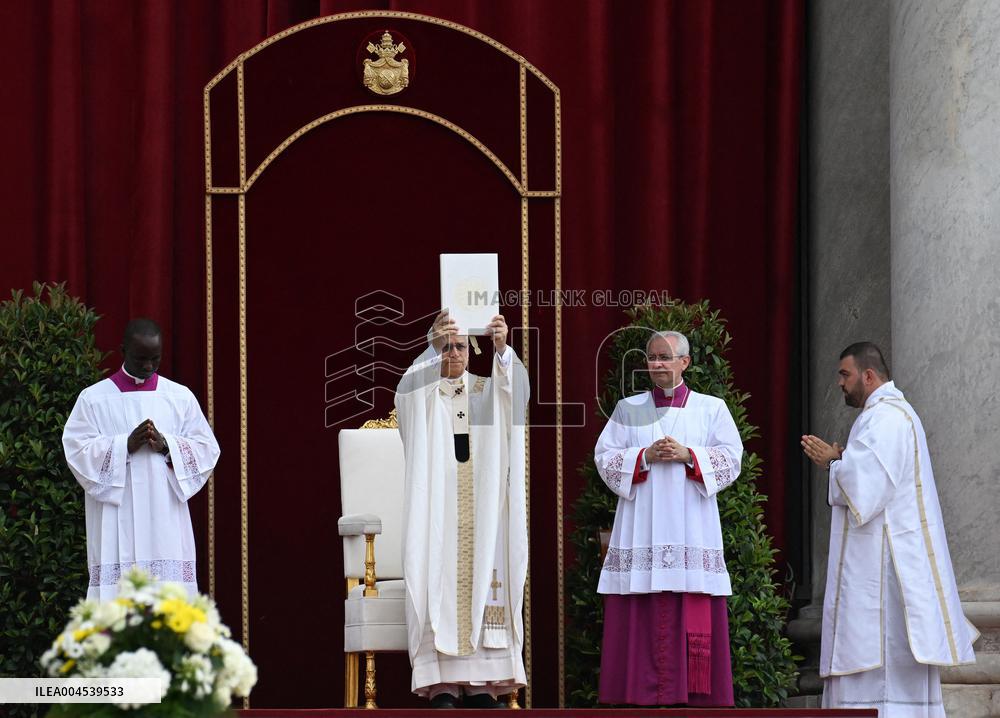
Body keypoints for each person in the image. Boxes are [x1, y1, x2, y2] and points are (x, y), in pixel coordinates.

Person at [802, 341, 977, 716]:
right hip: (885, 560)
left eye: (845, 374)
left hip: (884, 574)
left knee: (882, 663)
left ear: (869, 375)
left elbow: (868, 488)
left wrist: (834, 463)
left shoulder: (887, 417)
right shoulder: (887, 415)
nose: (840, 383)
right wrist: (844, 460)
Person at [593, 330, 741, 706]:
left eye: (664, 357)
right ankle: (636, 695)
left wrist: (689, 455)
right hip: (642, 526)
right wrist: (644, 457)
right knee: (641, 607)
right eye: (651, 358)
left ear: (684, 363)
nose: (656, 365)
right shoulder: (630, 408)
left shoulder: (712, 408)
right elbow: (605, 457)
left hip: (692, 526)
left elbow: (732, 458)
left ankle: (694, 698)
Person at [394, 310, 529, 709]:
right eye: (446, 346)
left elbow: (514, 394)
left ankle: (484, 683)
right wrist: (432, 345)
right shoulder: (425, 394)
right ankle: (442, 686)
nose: (454, 353)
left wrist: (502, 347)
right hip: (438, 512)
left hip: (483, 512)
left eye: (460, 346)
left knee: (487, 573)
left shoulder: (487, 390)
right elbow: (406, 394)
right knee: (439, 576)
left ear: (472, 351)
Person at [62, 318, 220, 600]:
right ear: (123, 351)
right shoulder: (94, 399)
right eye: (140, 359)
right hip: (116, 515)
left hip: (166, 516)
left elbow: (207, 449)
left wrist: (167, 445)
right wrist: (124, 445)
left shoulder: (179, 397)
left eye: (155, 359)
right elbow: (77, 450)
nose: (148, 366)